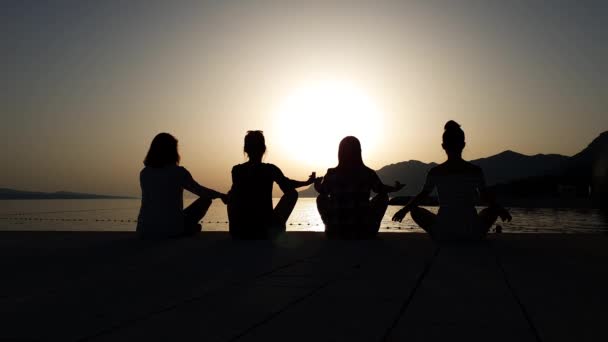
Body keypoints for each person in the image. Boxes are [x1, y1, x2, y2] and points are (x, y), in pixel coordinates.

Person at [392, 121, 512, 241]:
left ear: (443, 146)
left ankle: (444, 235)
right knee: (490, 211)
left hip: (443, 232)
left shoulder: (436, 171)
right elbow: (485, 197)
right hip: (471, 232)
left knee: (415, 211)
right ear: (463, 145)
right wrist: (500, 210)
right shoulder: (475, 170)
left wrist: (404, 210)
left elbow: (423, 195)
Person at [227, 130, 315, 239]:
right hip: (264, 230)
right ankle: (277, 229)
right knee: (292, 194)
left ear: (245, 149)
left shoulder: (237, 170)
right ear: (264, 149)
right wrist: (306, 183)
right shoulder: (270, 169)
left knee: (231, 194)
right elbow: (287, 186)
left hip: (240, 231)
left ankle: (238, 228)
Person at [136, 133, 226, 239]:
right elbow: (200, 191)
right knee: (205, 200)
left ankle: (189, 228)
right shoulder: (178, 172)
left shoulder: (145, 173)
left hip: (144, 230)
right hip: (171, 230)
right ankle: (189, 228)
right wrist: (221, 195)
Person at [315, 136, 404, 239]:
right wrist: (394, 188)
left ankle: (329, 226)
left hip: (336, 232)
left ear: (340, 152)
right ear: (359, 152)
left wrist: (317, 184)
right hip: (363, 231)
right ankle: (370, 229)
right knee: (383, 197)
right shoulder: (367, 173)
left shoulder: (332, 173)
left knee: (321, 198)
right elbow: (381, 189)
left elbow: (322, 191)